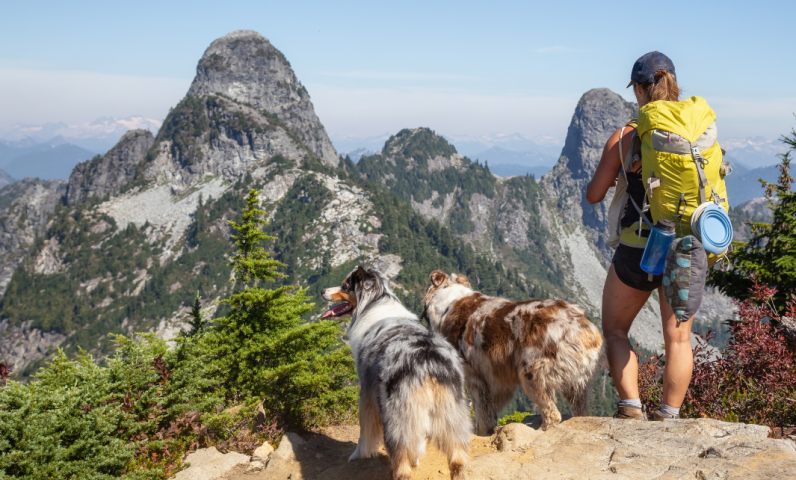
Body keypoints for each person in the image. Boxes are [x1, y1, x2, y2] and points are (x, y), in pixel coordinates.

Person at [586, 52, 692, 422]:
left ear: (641, 90)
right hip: (684, 247)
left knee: (615, 329)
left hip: (639, 246)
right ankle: (669, 416)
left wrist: (622, 175)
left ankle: (631, 407)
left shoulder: (626, 135)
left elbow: (594, 195)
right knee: (678, 339)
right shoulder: (695, 133)